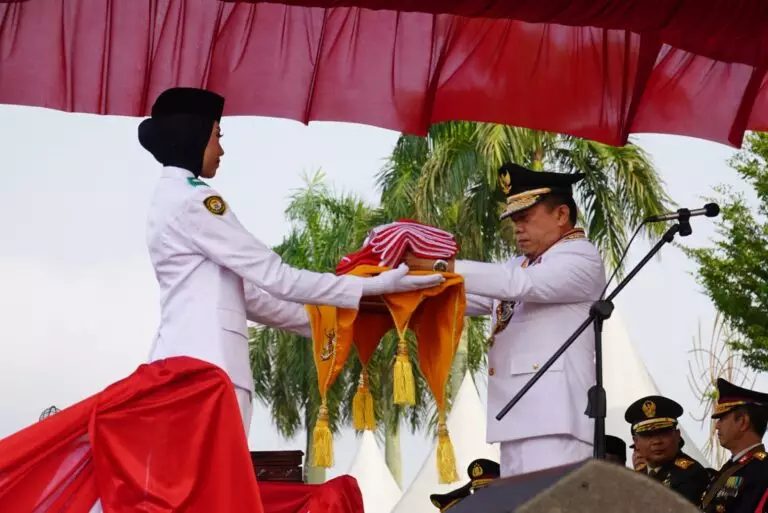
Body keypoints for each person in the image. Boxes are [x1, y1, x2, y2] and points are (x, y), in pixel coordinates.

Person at [138, 87, 444, 433]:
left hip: (192, 365)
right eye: (217, 136)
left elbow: (250, 298)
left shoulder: (172, 197)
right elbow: (276, 276)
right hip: (207, 368)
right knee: (216, 469)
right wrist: (370, 286)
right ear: (192, 135)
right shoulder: (195, 201)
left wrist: (338, 323)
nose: (221, 150)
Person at [456, 162, 607, 477]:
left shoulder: (580, 257)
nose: (518, 228)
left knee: (553, 501)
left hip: (557, 418)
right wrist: (395, 292)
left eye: (525, 218)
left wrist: (442, 265)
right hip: (516, 417)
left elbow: (518, 286)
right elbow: (460, 300)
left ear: (561, 215)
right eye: (514, 221)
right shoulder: (519, 266)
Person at [624, 395, 710, 505]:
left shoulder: (691, 475)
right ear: (636, 442)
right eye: (648, 435)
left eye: (663, 433)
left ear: (677, 435)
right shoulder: (637, 475)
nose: (657, 441)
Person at [700, 378, 768, 513]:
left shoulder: (762, 470)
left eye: (722, 418)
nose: (717, 426)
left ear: (743, 422)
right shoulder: (731, 467)